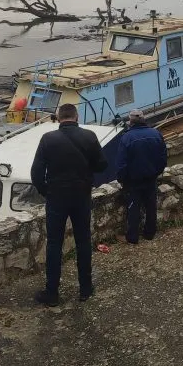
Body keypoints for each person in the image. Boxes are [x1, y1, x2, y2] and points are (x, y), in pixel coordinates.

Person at [30, 103, 108, 306]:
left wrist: (46, 191)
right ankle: (85, 289)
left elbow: (36, 173)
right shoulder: (89, 136)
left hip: (56, 197)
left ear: (58, 117)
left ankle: (52, 293)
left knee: (54, 244)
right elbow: (102, 165)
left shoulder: (48, 139)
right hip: (81, 195)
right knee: (83, 241)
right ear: (76, 117)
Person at [116, 110, 168, 244]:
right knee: (151, 206)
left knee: (133, 208)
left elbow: (121, 163)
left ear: (130, 121)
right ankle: (150, 233)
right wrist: (156, 172)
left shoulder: (126, 138)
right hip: (151, 178)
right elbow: (163, 158)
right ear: (144, 119)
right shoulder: (156, 134)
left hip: (133, 181)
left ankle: (132, 237)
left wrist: (122, 179)